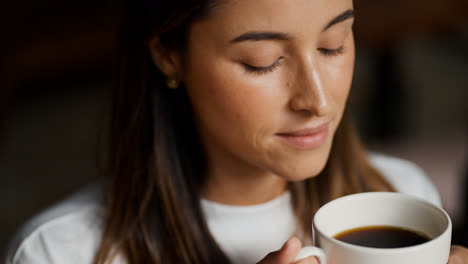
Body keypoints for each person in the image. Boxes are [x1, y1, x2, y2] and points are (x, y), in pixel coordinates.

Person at [4, 0, 468, 263]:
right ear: (169, 53)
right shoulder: (58, 252)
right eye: (262, 62)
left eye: (333, 46)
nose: (318, 101)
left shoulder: (403, 195)